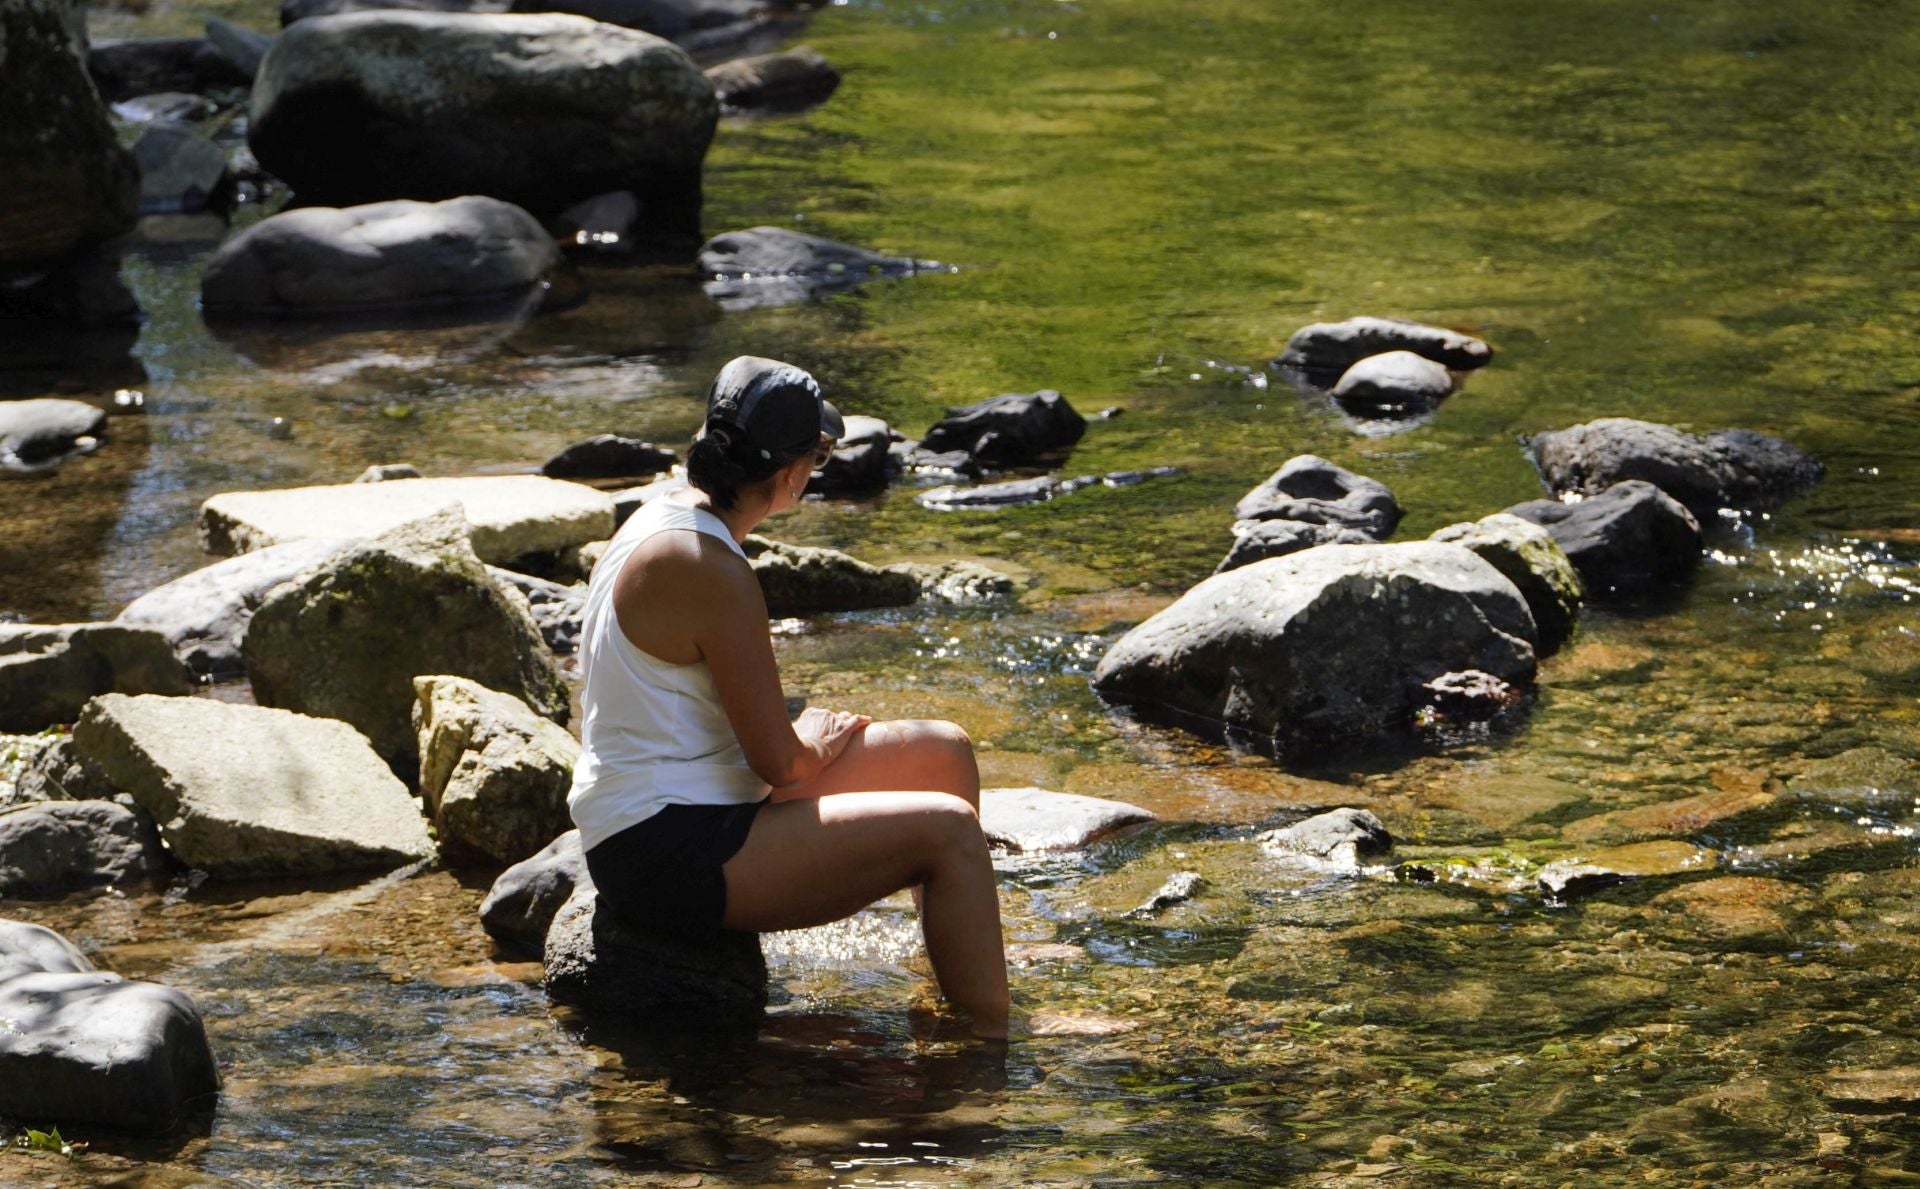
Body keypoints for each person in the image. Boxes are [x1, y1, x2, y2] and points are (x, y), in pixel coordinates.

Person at [567, 355, 1010, 1039]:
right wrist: (815, 742)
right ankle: (988, 1039)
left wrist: (803, 744)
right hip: (665, 848)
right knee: (949, 830)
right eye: (820, 454)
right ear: (793, 474)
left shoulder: (664, 515)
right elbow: (781, 763)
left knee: (943, 753)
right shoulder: (708, 567)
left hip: (698, 799)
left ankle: (955, 960)